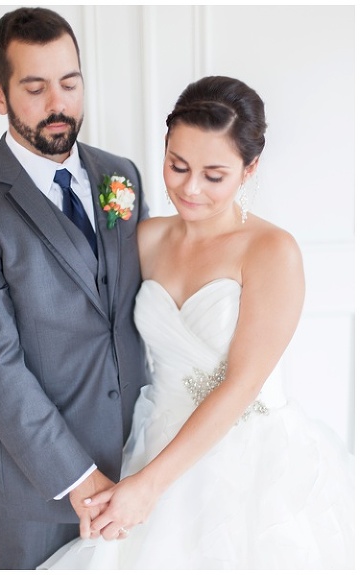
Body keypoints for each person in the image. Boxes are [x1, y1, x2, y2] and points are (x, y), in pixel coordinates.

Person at [39, 75, 355, 569]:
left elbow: (242, 384)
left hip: (252, 461)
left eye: (214, 175)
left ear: (249, 170)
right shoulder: (143, 239)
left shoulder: (273, 252)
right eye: (177, 165)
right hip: (152, 436)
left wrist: (148, 487)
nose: (189, 188)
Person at [0, 7, 150, 569]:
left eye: (70, 83)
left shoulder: (119, 174)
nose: (59, 105)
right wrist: (77, 478)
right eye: (35, 88)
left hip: (140, 471)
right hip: (37, 493)